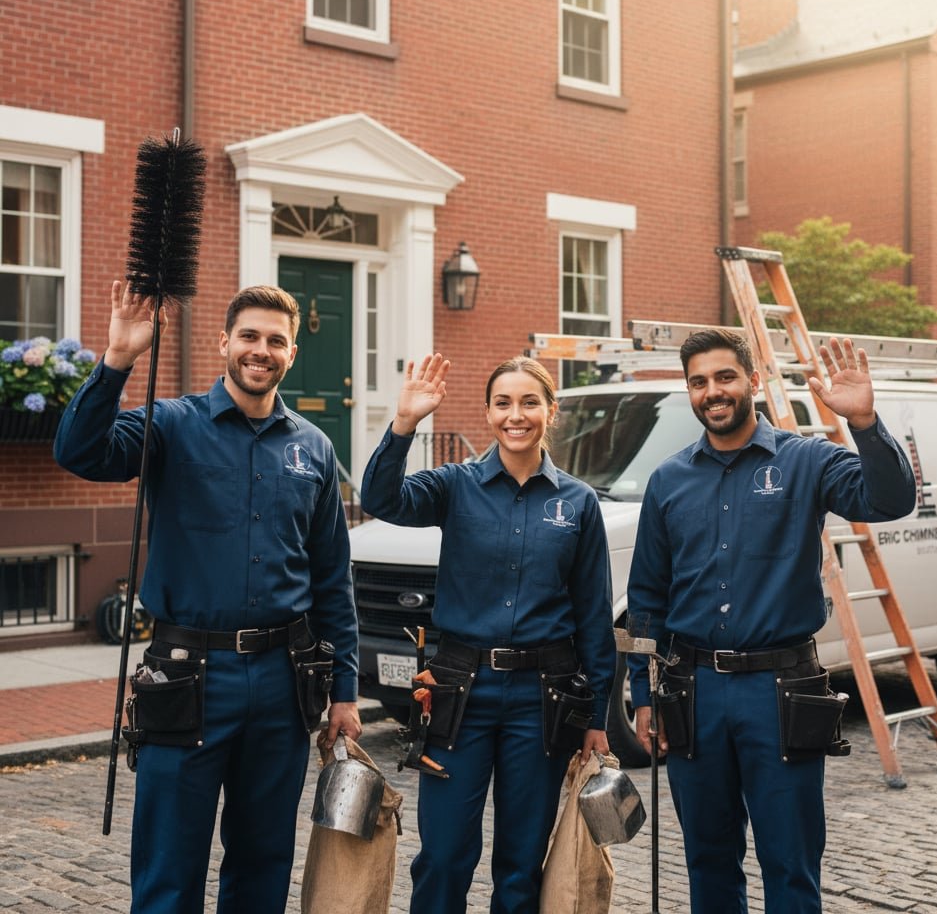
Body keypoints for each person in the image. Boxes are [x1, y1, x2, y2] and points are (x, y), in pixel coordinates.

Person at [54, 281, 360, 914]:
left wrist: (346, 691)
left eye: (276, 340)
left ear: (292, 353)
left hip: (283, 682)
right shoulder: (170, 425)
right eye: (249, 335)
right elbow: (80, 451)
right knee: (170, 866)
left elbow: (333, 579)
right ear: (225, 342)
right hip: (185, 678)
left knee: (263, 862)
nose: (261, 350)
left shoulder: (315, 449)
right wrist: (116, 361)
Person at [626, 329, 916, 914]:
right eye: (699, 382)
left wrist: (864, 424)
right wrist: (643, 694)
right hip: (693, 693)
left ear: (752, 381)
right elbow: (646, 597)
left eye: (725, 377)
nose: (714, 391)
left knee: (790, 862)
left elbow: (889, 502)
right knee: (708, 861)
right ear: (689, 391)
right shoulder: (668, 480)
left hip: (781, 691)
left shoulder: (807, 460)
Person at [360, 353, 616, 914]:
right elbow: (380, 500)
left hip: (542, 698)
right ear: (488, 412)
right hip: (459, 693)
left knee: (522, 864)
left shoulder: (577, 503)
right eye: (503, 403)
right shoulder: (455, 485)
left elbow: (594, 615)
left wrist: (597, 717)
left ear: (551, 411)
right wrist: (404, 424)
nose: (515, 415)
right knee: (445, 854)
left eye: (529, 402)